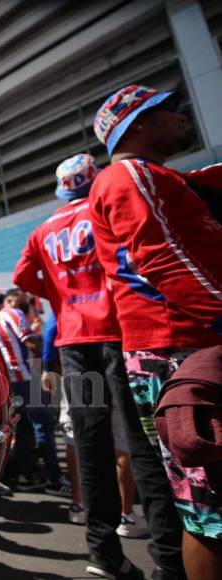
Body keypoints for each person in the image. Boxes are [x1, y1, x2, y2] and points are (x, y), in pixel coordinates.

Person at [13, 152, 184, 579]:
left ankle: (104, 555)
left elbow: (22, 278)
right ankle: (168, 558)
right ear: (93, 179)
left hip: (75, 345)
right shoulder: (103, 208)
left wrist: (61, 296)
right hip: (119, 336)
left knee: (91, 450)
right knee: (142, 446)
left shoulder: (43, 231)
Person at [89, 84, 222, 575]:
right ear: (138, 123)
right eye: (170, 109)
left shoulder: (155, 177)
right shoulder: (128, 173)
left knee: (205, 502)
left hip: (184, 345)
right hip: (182, 348)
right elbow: (159, 255)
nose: (182, 114)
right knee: (210, 511)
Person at [154, 346, 222, 580]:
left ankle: (166, 567)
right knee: (204, 510)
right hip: (188, 358)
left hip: (176, 358)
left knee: (200, 508)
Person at [0, 288, 68, 495]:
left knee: (25, 427)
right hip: (27, 377)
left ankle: (26, 475)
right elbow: (29, 341)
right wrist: (48, 355)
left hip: (14, 378)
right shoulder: (14, 313)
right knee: (44, 425)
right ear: (10, 300)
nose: (26, 304)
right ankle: (54, 479)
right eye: (23, 300)